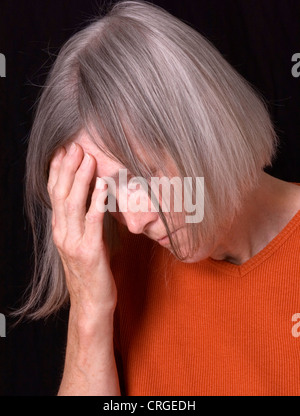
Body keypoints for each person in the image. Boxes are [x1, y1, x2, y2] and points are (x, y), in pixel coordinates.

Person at [19, 0, 300, 395]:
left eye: (142, 177)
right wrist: (89, 310)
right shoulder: (114, 271)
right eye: (109, 196)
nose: (135, 223)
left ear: (206, 126)